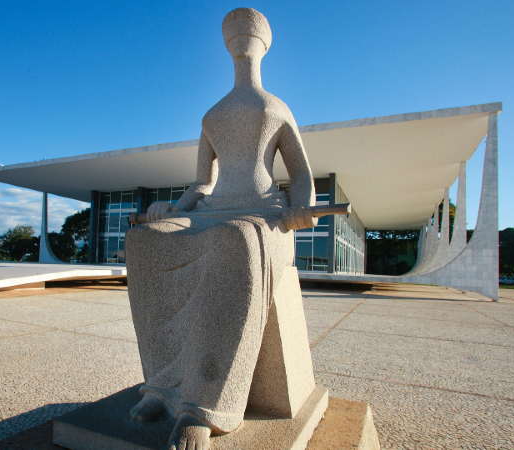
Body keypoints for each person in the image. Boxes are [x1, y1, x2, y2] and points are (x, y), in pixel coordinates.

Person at [125, 8, 317, 450]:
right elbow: (202, 182)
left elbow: (301, 174)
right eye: (232, 32)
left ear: (263, 43)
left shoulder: (276, 107)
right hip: (212, 210)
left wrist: (301, 207)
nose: (239, 38)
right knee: (144, 243)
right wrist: (170, 210)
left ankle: (202, 406)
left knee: (236, 241)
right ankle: (161, 385)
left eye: (247, 32)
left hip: (265, 217)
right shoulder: (212, 115)